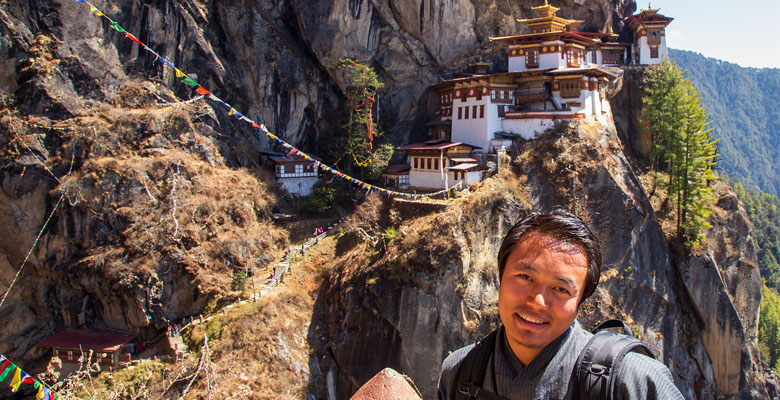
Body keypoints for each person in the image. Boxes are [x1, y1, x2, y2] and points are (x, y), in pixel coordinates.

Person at [436, 210, 684, 399]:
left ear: (579, 303)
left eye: (561, 289)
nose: (538, 300)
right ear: (500, 278)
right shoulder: (460, 373)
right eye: (525, 277)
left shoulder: (632, 381)